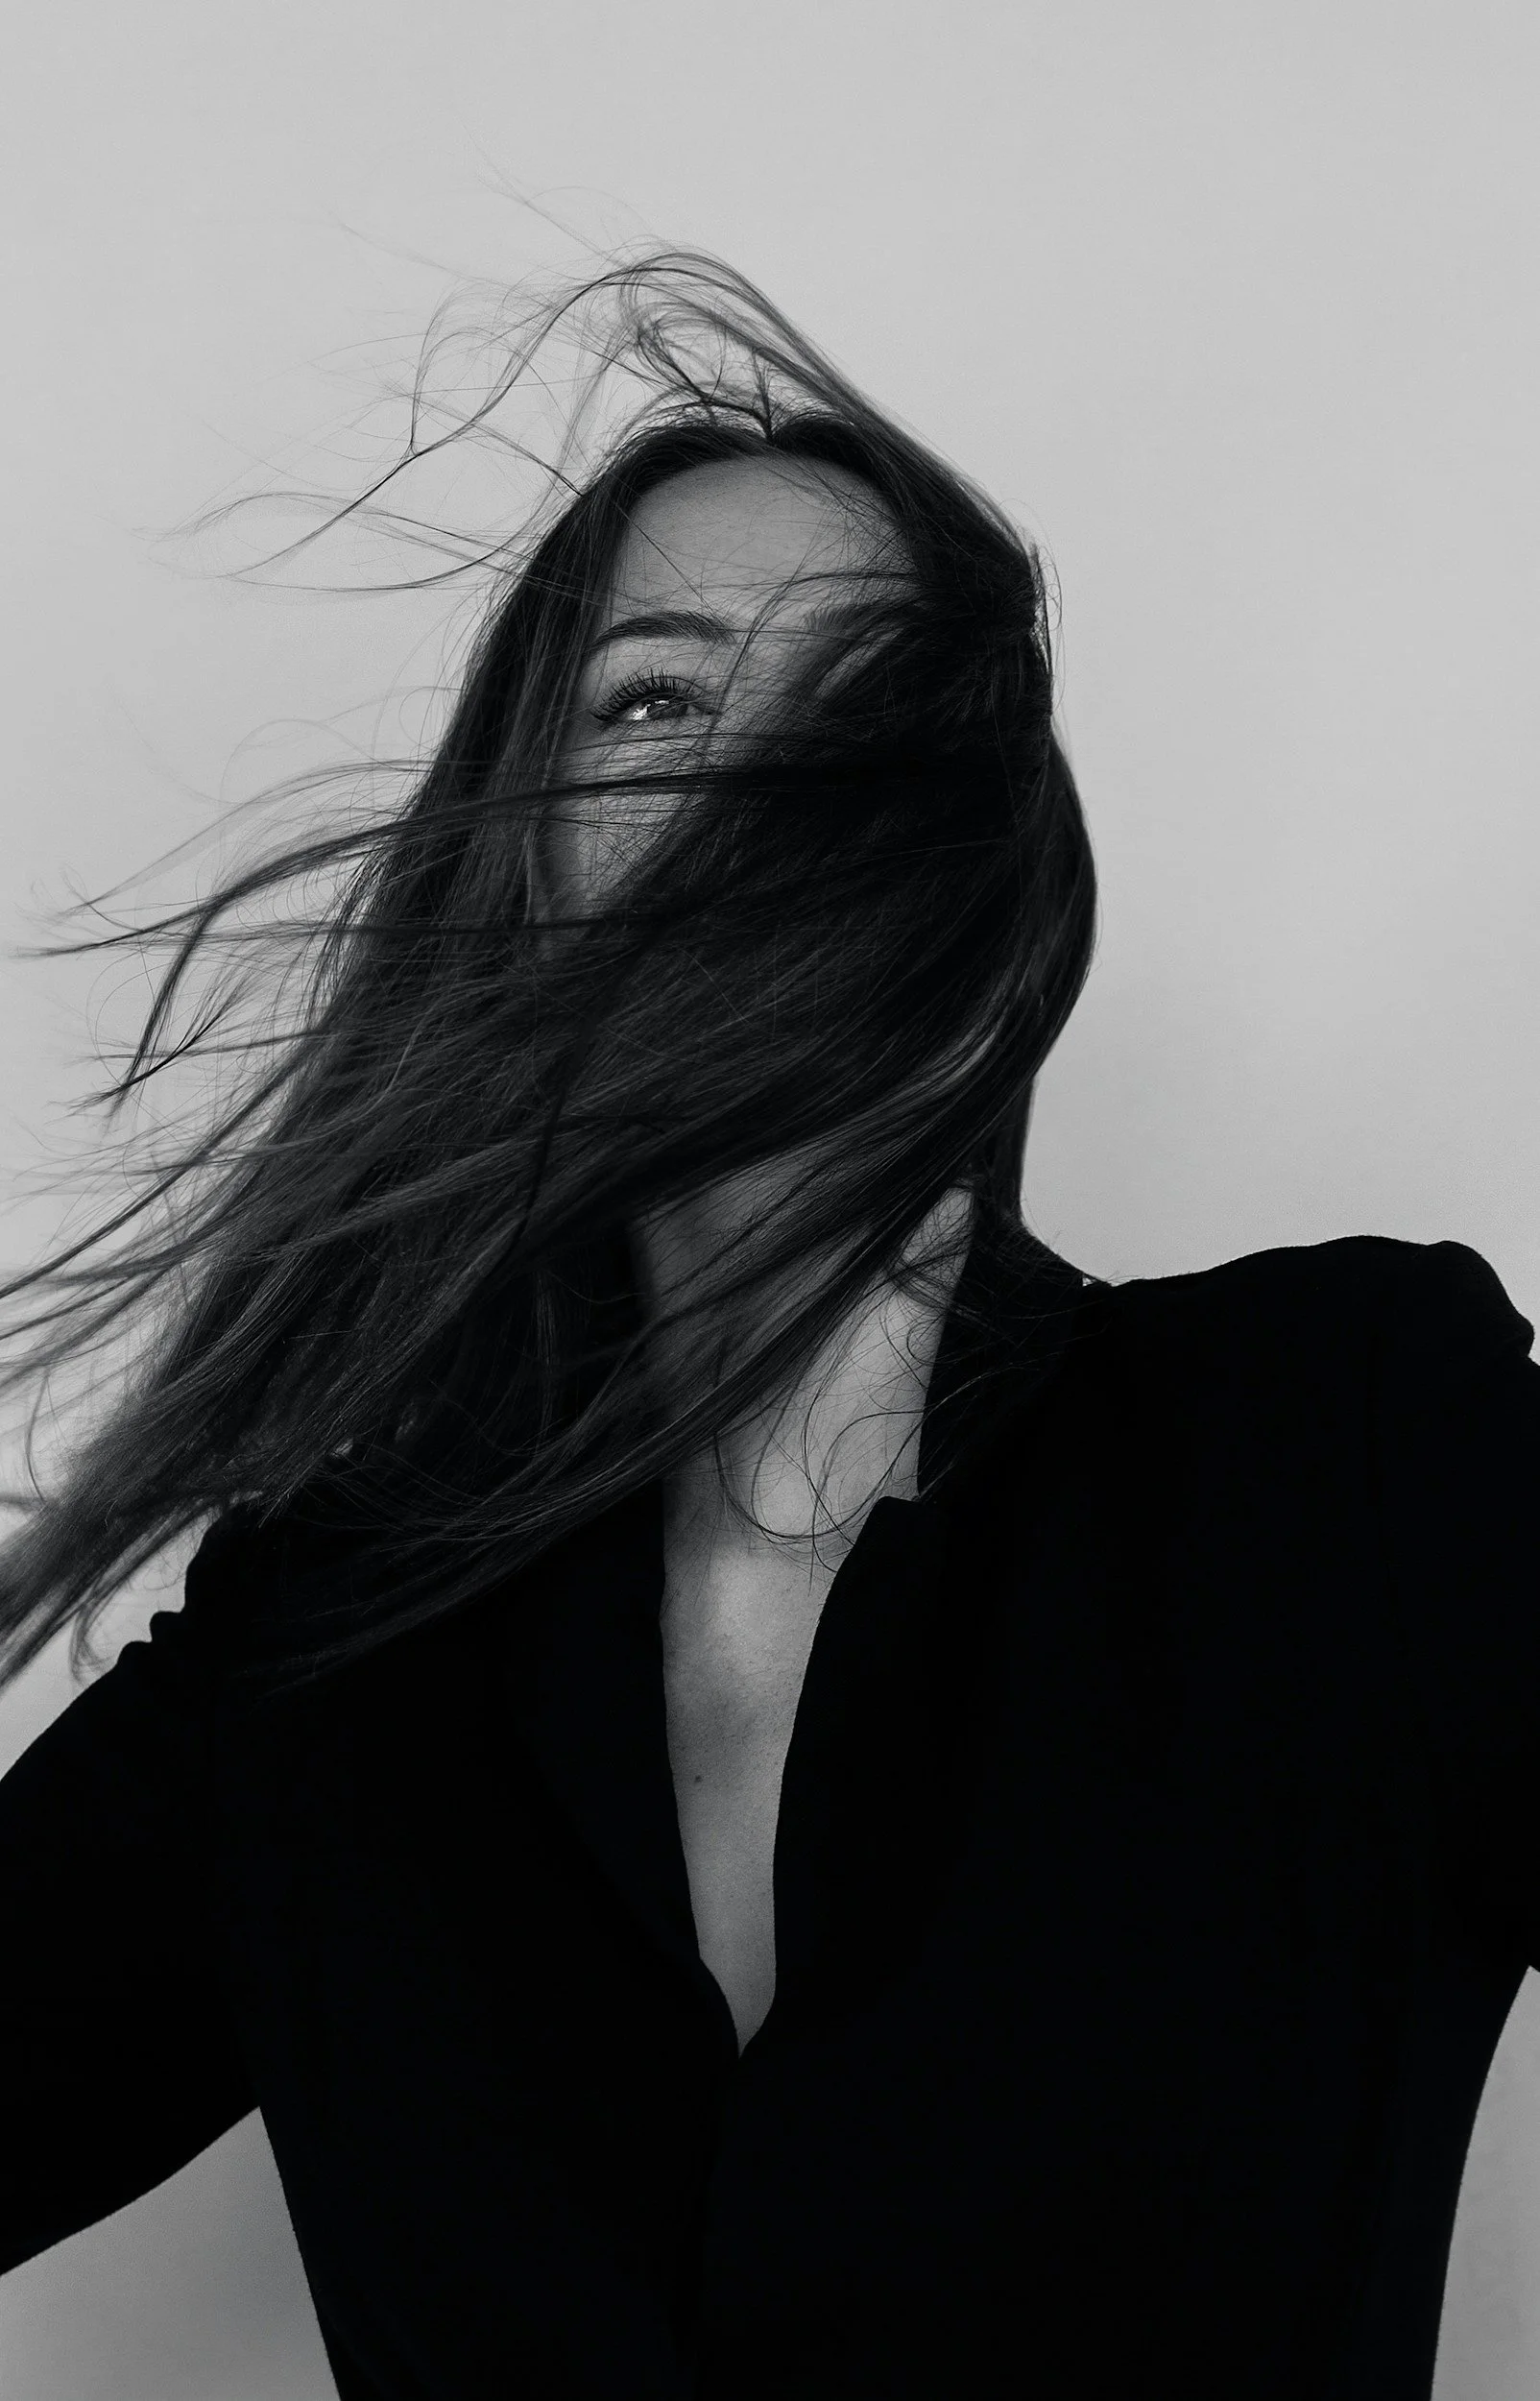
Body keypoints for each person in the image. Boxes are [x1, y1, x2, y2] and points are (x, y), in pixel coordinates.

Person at [0, 250, 1534, 2401]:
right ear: (523, 859)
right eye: (654, 696)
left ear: (985, 873)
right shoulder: (317, 1639)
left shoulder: (1350, 1447)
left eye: (864, 700)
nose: (762, 779)